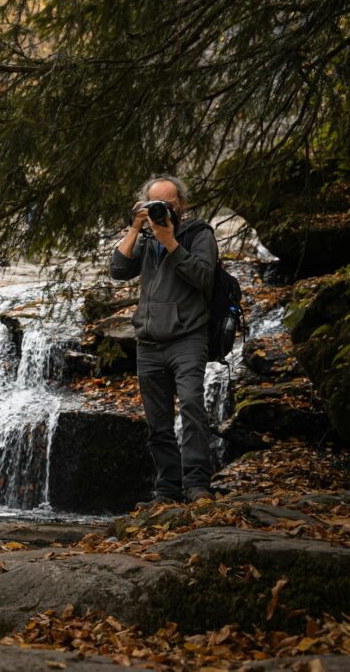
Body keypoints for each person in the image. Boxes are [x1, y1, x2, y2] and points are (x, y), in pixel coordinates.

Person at [109, 174, 219, 506]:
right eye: (156, 204)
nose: (163, 210)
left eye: (169, 204)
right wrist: (135, 227)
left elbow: (203, 276)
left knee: (192, 407)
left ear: (181, 204)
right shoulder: (145, 239)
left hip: (188, 337)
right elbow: (118, 270)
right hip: (149, 342)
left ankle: (197, 485)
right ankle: (168, 490)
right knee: (158, 422)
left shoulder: (199, 234)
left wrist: (170, 241)